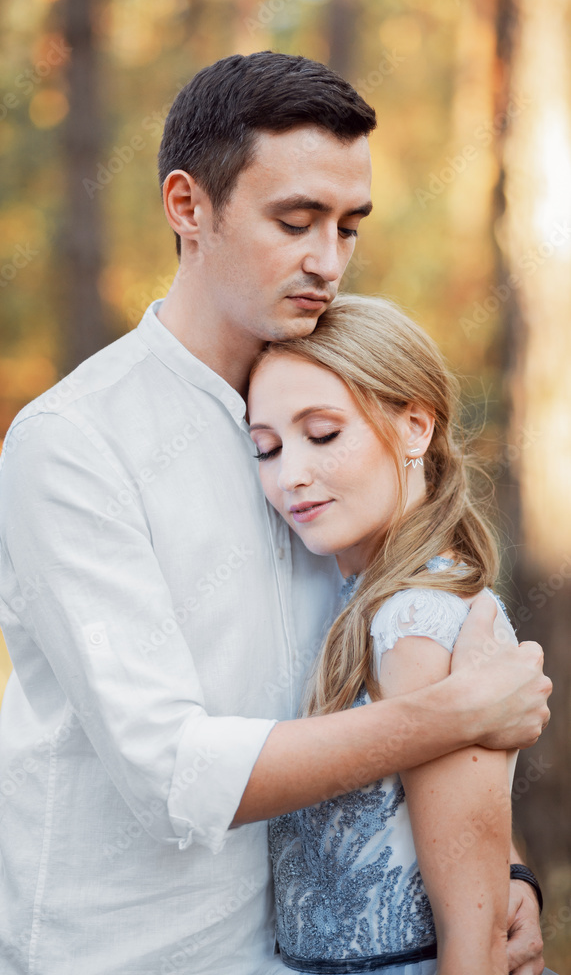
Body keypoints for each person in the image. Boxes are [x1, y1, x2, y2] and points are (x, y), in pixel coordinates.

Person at [0, 52, 551, 975]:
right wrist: (456, 715)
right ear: (186, 207)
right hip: (115, 956)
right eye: (294, 221)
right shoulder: (76, 443)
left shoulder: (330, 425)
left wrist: (498, 870)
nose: (327, 261)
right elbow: (171, 773)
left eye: (347, 226)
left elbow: (396, 669)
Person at [248, 293, 553, 975]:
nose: (288, 475)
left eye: (322, 434)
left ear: (414, 426)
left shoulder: (418, 623)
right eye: (265, 447)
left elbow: (469, 943)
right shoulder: (353, 597)